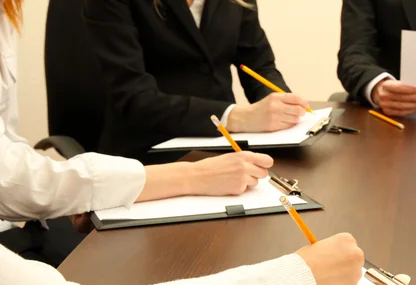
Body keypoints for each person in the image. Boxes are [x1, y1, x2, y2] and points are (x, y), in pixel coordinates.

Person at [0, 0, 365, 285]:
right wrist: (298, 279)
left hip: (215, 155)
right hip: (146, 149)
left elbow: (9, 169)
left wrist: (285, 117)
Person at [83, 0, 310, 164]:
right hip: (146, 157)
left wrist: (282, 108)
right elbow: (134, 98)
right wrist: (234, 116)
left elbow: (259, 66)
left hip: (224, 151)